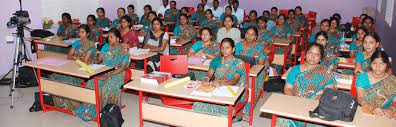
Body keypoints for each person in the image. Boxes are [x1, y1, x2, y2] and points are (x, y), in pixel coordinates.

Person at [50, 28, 129, 121]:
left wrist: (109, 74)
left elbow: (122, 68)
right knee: (91, 84)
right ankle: (87, 109)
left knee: (106, 88)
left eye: (111, 37)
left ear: (118, 38)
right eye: (108, 37)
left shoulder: (123, 51)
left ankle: (104, 111)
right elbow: (99, 60)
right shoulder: (105, 47)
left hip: (116, 73)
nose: (109, 39)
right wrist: (94, 62)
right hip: (103, 70)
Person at [280, 43, 336, 126]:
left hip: (316, 105)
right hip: (296, 102)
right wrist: (295, 100)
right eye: (310, 53)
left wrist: (317, 100)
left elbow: (330, 92)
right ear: (305, 55)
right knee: (282, 120)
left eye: (316, 54)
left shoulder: (325, 72)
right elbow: (288, 88)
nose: (312, 56)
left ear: (320, 58)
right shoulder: (295, 69)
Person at [192, 37, 248, 121]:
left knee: (202, 107)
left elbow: (235, 80)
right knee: (197, 104)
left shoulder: (239, 63)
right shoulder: (216, 60)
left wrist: (221, 84)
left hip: (233, 92)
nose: (224, 50)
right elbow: (210, 73)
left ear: (233, 49)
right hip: (217, 90)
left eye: (227, 48)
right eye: (222, 48)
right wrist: (206, 79)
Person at [356, 50, 395, 119]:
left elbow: (394, 102)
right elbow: (360, 98)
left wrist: (391, 109)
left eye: (382, 64)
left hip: (385, 116)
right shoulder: (362, 77)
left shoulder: (392, 81)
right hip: (366, 112)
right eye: (374, 63)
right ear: (370, 64)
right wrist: (372, 108)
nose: (378, 67)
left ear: (387, 65)